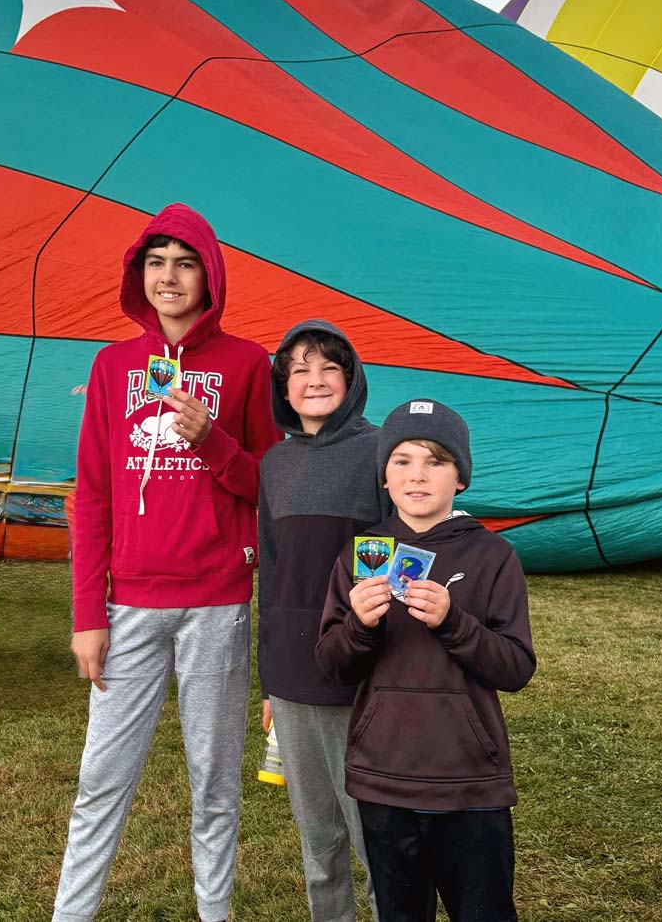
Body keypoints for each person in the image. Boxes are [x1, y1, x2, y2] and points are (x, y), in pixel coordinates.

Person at [53, 203, 280, 922]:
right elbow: (91, 494)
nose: (170, 276)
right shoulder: (113, 364)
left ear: (209, 274)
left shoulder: (247, 362)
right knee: (101, 776)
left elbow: (270, 483)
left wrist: (210, 437)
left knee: (213, 780)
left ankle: (215, 913)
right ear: (138, 273)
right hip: (129, 606)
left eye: (185, 262)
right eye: (156, 262)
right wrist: (89, 614)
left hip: (216, 600)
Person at [316, 400, 536, 922]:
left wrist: (453, 622)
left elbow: (515, 667)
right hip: (383, 777)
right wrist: (359, 627)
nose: (418, 475)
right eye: (402, 460)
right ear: (384, 478)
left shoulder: (492, 556)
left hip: (469, 780)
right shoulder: (360, 555)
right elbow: (333, 664)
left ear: (460, 477)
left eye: (436, 461)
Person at [258, 321, 389, 922]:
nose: (314, 381)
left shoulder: (382, 451)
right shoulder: (275, 465)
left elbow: (397, 552)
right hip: (292, 669)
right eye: (300, 370)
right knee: (317, 838)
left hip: (361, 663)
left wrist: (380, 647)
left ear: (351, 377)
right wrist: (269, 676)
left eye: (328, 368)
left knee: (373, 830)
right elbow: (274, 570)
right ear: (282, 386)